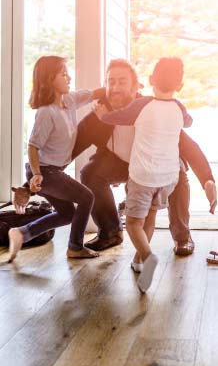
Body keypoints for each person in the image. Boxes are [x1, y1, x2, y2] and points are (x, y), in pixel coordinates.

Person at [13, 59, 217, 256]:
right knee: (90, 173)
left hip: (160, 164)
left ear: (136, 86)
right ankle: (110, 231)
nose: (116, 87)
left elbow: (189, 146)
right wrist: (28, 186)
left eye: (122, 81)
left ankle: (182, 237)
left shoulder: (150, 108)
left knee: (179, 176)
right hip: (121, 163)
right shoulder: (99, 115)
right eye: (111, 81)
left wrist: (208, 180)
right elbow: (67, 154)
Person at [96, 57, 192, 292]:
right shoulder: (179, 107)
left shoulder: (143, 105)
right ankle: (139, 261)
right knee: (149, 218)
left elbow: (116, 117)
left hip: (143, 177)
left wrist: (101, 115)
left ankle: (148, 257)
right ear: (180, 86)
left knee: (132, 223)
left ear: (150, 81)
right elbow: (188, 122)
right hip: (169, 177)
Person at [8, 55, 105, 262]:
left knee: (67, 214)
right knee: (86, 197)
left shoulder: (69, 101)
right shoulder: (46, 113)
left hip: (53, 171)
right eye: (63, 74)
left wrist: (123, 88)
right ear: (50, 78)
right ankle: (75, 247)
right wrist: (35, 176)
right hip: (45, 172)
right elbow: (33, 147)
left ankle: (22, 233)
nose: (69, 77)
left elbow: (98, 93)